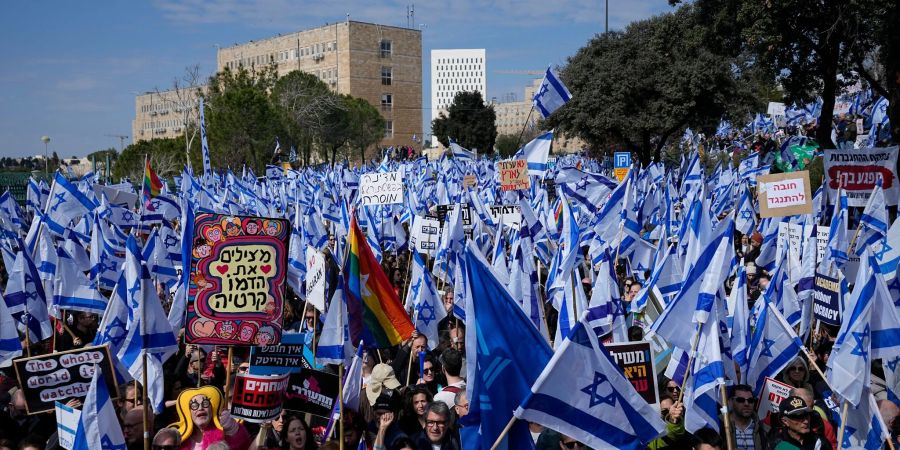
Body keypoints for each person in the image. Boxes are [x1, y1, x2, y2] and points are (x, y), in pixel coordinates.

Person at [169, 386, 251, 450]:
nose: (200, 408)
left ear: (212, 409)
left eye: (205, 403)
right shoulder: (178, 438)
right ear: (188, 412)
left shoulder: (224, 431)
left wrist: (233, 431)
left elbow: (244, 446)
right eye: (194, 405)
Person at [728, 384, 767, 450]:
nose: (746, 404)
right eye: (740, 400)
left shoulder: (763, 429)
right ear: (731, 402)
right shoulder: (720, 427)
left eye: (750, 400)